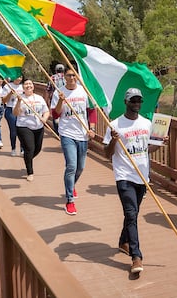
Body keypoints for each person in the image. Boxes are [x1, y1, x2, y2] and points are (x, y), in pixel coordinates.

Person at [103, 88, 167, 274]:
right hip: (124, 176)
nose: (136, 103)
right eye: (133, 100)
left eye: (139, 100)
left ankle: (123, 241)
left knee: (133, 213)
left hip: (142, 177)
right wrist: (114, 141)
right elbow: (107, 154)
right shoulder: (115, 125)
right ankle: (136, 256)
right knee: (131, 214)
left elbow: (147, 150)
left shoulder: (147, 124)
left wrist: (161, 143)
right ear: (126, 102)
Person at [51, 68, 97, 216]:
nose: (71, 77)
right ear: (64, 77)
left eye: (74, 75)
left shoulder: (84, 92)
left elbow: (91, 111)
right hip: (67, 133)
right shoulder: (59, 92)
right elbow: (55, 114)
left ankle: (71, 185)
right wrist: (60, 100)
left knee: (80, 167)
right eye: (69, 75)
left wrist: (92, 128)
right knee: (71, 165)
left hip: (82, 134)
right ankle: (69, 200)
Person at [14, 78, 50, 181]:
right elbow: (15, 113)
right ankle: (30, 172)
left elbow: (46, 111)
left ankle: (27, 158)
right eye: (26, 84)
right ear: (23, 87)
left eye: (30, 84)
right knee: (30, 148)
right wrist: (18, 102)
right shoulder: (20, 99)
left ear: (33, 86)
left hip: (38, 127)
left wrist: (44, 118)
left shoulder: (39, 98)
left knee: (37, 149)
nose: (28, 85)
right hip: (24, 126)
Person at [3, 75, 24, 156]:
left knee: (22, 130)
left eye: (20, 77)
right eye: (17, 77)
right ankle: (13, 148)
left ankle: (22, 149)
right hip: (10, 110)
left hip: (21, 110)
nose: (18, 79)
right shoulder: (7, 86)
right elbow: (4, 101)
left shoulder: (23, 87)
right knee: (13, 130)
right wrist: (10, 93)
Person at [45, 63, 66, 133]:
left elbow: (48, 90)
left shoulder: (52, 78)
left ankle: (57, 131)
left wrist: (46, 101)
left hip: (54, 99)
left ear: (56, 70)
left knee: (55, 114)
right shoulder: (66, 77)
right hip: (65, 99)